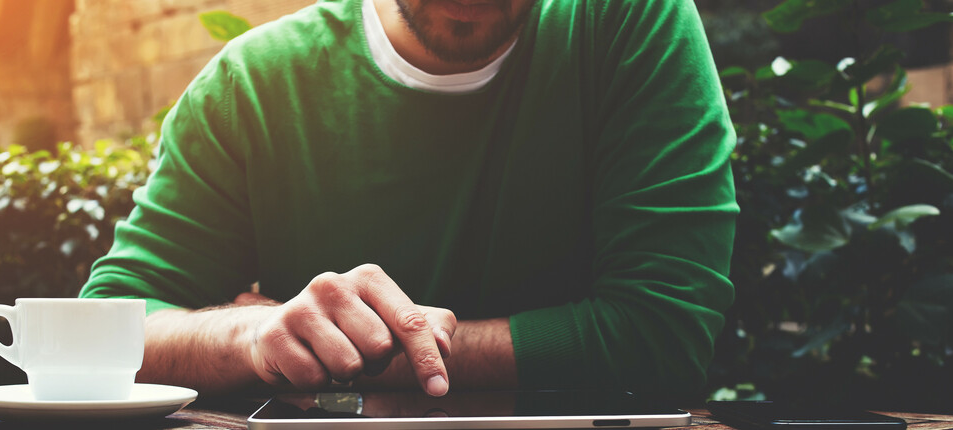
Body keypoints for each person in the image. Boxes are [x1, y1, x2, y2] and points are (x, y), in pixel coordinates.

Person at [80, 0, 738, 401]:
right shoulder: (251, 85)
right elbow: (98, 335)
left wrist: (353, 361)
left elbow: (663, 339)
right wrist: (248, 335)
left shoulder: (629, 19)